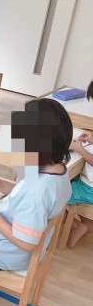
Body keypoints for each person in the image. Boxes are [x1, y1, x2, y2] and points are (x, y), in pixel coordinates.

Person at [0, 98, 72, 304]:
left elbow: (26, 242)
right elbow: (25, 193)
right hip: (8, 244)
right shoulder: (57, 171)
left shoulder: (38, 192)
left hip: (3, 252)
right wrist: (2, 186)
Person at [65, 79, 93, 247]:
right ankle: (87, 224)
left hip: (89, 188)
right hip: (89, 184)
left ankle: (76, 226)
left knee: (53, 194)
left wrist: (79, 150)